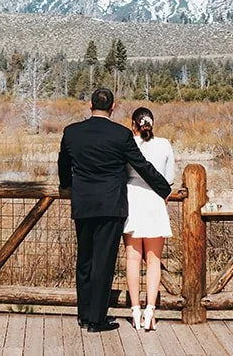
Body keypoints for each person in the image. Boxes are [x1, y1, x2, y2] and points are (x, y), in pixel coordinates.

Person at [58, 87, 172, 332]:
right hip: (111, 204)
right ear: (113, 107)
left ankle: (84, 314)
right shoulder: (120, 134)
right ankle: (97, 319)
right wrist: (164, 188)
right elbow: (141, 165)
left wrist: (66, 185)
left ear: (90, 105)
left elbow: (63, 165)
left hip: (83, 202)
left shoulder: (72, 132)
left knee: (85, 260)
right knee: (104, 261)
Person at [123, 106, 176, 331]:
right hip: (155, 200)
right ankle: (150, 311)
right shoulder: (164, 144)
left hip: (132, 199)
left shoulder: (127, 144)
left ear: (133, 124)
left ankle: (135, 309)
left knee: (133, 258)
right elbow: (170, 178)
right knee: (154, 259)